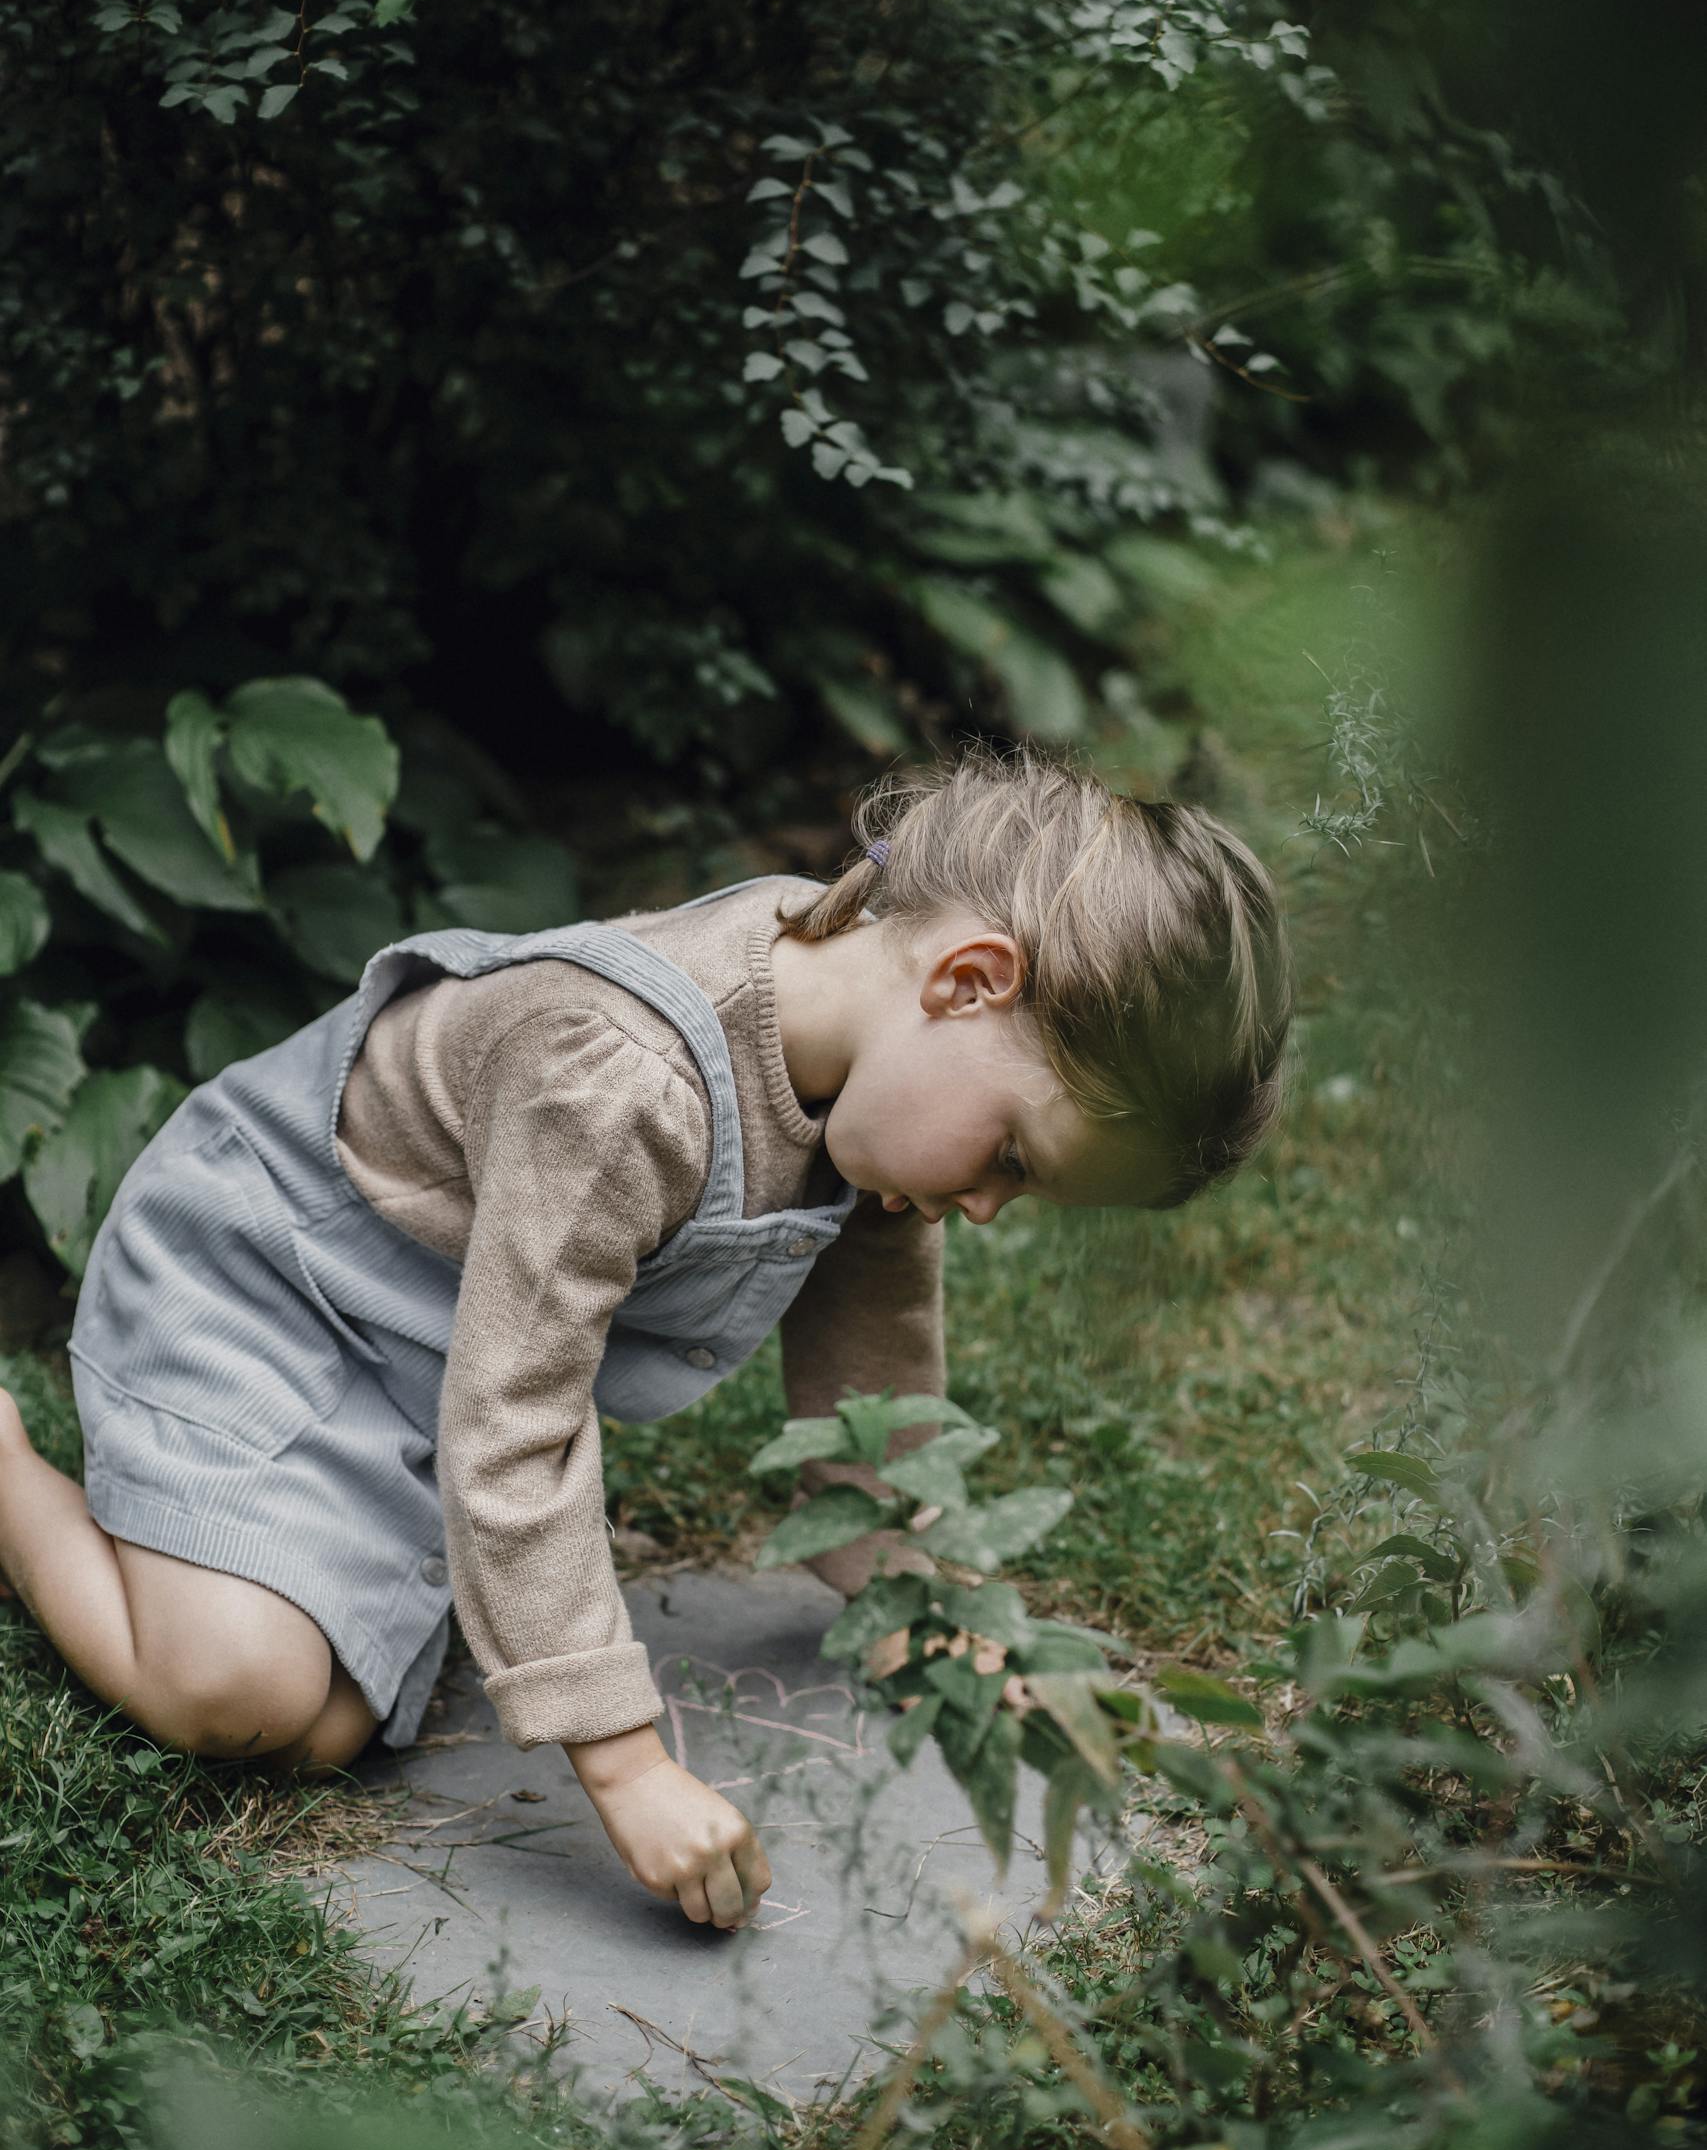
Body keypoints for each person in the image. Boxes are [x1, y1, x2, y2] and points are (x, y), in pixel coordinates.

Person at [0, 740, 1292, 1935]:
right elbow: (519, 1418)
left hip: (432, 1355)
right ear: (966, 981)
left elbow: (870, 1381)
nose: (989, 1205)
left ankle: (398, 1547)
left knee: (330, 1728)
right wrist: (625, 1766)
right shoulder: (621, 1078)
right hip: (269, 1283)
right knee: (235, 1695)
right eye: (1012, 1155)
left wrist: (918, 1602)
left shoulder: (875, 1068)